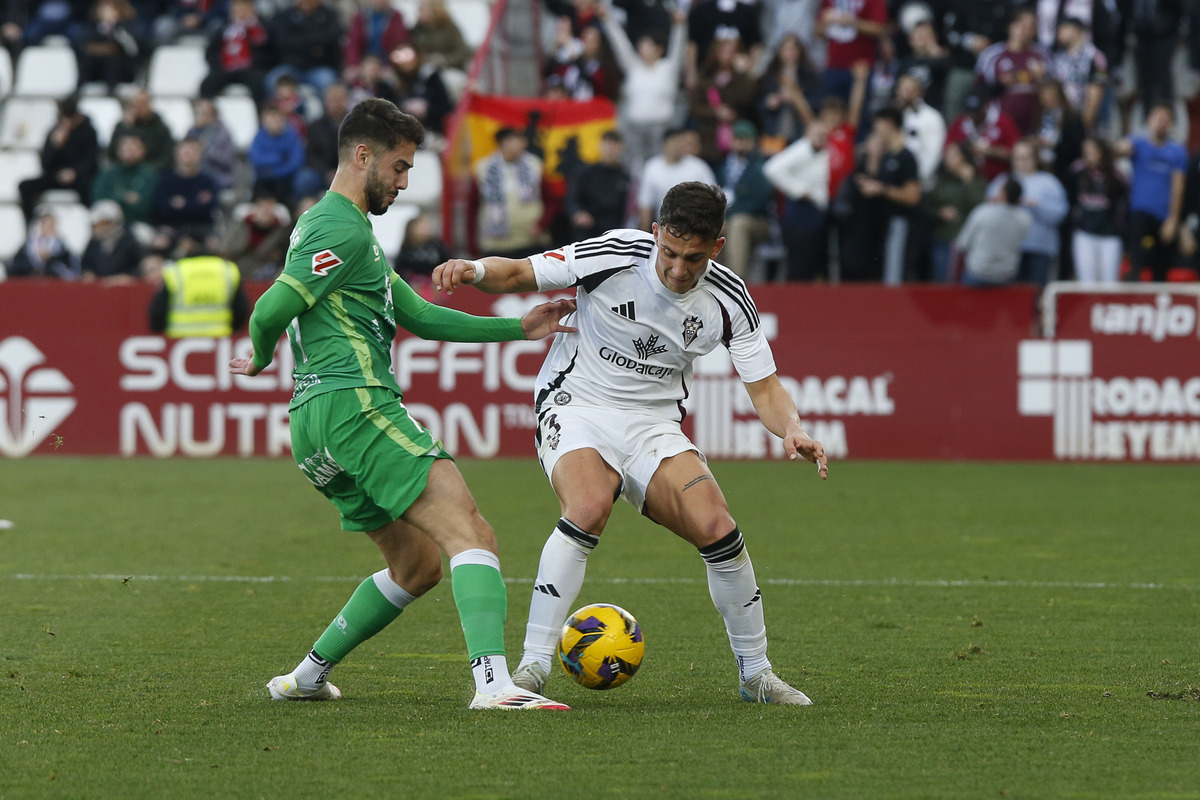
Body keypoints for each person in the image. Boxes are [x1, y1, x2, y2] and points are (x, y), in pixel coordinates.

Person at [227, 98, 576, 711]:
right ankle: (494, 685)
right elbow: (267, 311)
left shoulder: (345, 231)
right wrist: (259, 353)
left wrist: (518, 330)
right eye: (398, 166)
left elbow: (418, 315)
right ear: (363, 156)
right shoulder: (336, 225)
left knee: (416, 564)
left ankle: (307, 675)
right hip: (355, 406)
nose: (404, 181)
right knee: (471, 531)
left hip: (313, 429)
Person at [432, 181, 828, 705]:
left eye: (692, 258)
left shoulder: (730, 298)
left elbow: (766, 388)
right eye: (669, 252)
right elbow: (521, 272)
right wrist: (474, 270)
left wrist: (792, 427)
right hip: (576, 403)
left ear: (716, 246)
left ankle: (756, 675)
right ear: (655, 232)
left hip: (653, 425)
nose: (677, 269)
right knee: (590, 504)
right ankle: (531, 668)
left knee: (719, 528)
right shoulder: (614, 253)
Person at [598, 1, 687, 180]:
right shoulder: (634, 68)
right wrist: (608, 21)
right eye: (640, 46)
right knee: (635, 173)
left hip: (661, 129)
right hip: (635, 130)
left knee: (661, 170)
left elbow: (678, 49)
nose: (641, 50)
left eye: (646, 45)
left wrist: (680, 26)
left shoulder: (668, 69)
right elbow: (620, 46)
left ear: (659, 49)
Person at [1116, 102, 1187, 283]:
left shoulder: (1176, 151)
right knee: (1136, 263)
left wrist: (1173, 219)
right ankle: (1132, 293)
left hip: (1163, 215)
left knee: (1161, 268)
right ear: (1149, 121)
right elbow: (1119, 149)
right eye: (1158, 118)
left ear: (1171, 124)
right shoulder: (1138, 144)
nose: (1161, 123)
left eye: (1165, 119)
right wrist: (1122, 146)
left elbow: (1178, 186)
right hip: (1140, 212)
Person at [985, 139, 1069, 285]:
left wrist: (1036, 205)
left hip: (1039, 247)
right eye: (1017, 157)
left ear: (1035, 158)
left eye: (1026, 157)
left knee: (1037, 291)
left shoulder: (1049, 182)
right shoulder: (1003, 181)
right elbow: (988, 208)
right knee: (1012, 293)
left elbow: (1060, 214)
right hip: (1008, 248)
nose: (1021, 161)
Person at [854, 107, 921, 284]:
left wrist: (882, 189)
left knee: (894, 275)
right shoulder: (887, 156)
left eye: (878, 125)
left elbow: (913, 196)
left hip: (899, 223)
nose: (876, 130)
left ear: (889, 124)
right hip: (883, 224)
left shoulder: (906, 157)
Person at [763, 118, 831, 281]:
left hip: (815, 213)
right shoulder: (801, 149)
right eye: (817, 134)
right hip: (801, 213)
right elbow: (771, 169)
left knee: (812, 264)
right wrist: (799, 190)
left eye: (824, 134)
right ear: (807, 134)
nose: (821, 137)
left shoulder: (821, 152)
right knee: (800, 265)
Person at [18, 97, 100, 224]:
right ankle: (32, 226)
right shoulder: (54, 132)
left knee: (91, 188)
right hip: (56, 176)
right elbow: (45, 163)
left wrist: (75, 172)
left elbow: (91, 160)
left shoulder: (89, 132)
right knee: (25, 187)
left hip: (80, 178)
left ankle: (90, 223)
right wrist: (55, 146)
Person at [475, 127, 547, 258]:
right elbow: (473, 205)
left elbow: (550, 198)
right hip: (496, 244)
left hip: (531, 240)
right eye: (517, 140)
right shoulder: (483, 168)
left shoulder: (534, 164)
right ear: (504, 142)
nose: (522, 144)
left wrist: (542, 225)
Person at [921, 140, 986, 283]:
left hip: (967, 240)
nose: (948, 159)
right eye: (947, 155)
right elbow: (924, 205)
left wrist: (969, 182)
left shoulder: (977, 182)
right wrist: (939, 212)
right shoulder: (940, 181)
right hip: (944, 236)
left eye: (953, 155)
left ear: (964, 158)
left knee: (961, 279)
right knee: (942, 278)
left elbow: (980, 207)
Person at [718, 120, 775, 280]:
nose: (741, 143)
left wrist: (727, 219)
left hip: (757, 221)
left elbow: (759, 200)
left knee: (738, 224)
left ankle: (735, 280)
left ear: (753, 142)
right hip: (724, 220)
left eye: (746, 139)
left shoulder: (761, 166)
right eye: (738, 138)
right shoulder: (722, 167)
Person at [1067, 136, 1127, 285]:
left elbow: (1123, 204)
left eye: (1093, 151)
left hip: (1110, 234)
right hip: (1084, 232)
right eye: (1086, 151)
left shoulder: (1117, 175)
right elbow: (1070, 198)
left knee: (1110, 282)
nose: (1090, 155)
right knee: (1086, 281)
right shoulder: (1077, 170)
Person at [148, 251, 249, 337]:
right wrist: (234, 331)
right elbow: (241, 309)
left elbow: (158, 312)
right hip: (220, 337)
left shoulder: (175, 270)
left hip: (179, 337)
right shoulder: (227, 269)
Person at [955, 178, 1032, 286]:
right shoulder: (1025, 218)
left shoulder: (982, 211)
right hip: (1007, 273)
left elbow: (962, 243)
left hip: (978, 273)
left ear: (1003, 194)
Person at [637, 127, 717, 231]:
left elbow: (713, 199)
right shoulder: (652, 167)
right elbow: (646, 203)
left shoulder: (699, 167)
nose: (679, 146)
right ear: (665, 144)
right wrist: (644, 232)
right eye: (675, 141)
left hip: (694, 226)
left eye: (681, 142)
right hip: (663, 226)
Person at [199, 0, 271, 104]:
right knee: (207, 84)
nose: (241, 10)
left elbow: (269, 51)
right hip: (226, 69)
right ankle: (207, 115)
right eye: (237, 6)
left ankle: (262, 116)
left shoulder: (263, 27)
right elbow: (211, 52)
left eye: (244, 6)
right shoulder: (224, 27)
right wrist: (219, 65)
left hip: (251, 69)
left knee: (258, 83)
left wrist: (252, 27)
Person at [566, 129, 631, 239]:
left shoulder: (625, 177)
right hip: (589, 233)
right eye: (607, 144)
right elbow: (572, 200)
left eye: (615, 145)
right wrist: (578, 213)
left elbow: (629, 207)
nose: (611, 149)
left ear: (621, 148)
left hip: (615, 234)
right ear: (600, 146)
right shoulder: (585, 173)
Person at [92, 133, 160, 228]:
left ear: (143, 150)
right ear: (118, 150)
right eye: (125, 145)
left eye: (134, 146)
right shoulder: (107, 173)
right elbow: (97, 198)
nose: (129, 149)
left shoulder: (150, 174)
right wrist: (125, 197)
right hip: (108, 226)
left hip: (139, 224)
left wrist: (116, 197)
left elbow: (148, 205)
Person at [108, 90, 176, 172]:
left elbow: (167, 157)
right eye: (136, 103)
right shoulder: (122, 126)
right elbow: (113, 153)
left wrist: (147, 171)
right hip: (124, 173)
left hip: (153, 173)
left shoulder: (161, 128)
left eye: (143, 103)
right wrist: (127, 127)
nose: (139, 107)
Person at [81, 200, 145, 283]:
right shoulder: (93, 243)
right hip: (100, 288)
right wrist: (88, 273)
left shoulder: (130, 241)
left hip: (124, 290)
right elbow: (87, 264)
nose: (98, 228)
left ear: (114, 222)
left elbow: (140, 266)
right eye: (95, 225)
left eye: (103, 223)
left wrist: (128, 277)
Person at [7, 210, 80, 280]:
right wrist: (37, 255)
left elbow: (65, 262)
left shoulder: (60, 244)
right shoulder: (31, 242)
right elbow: (19, 260)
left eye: (50, 225)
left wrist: (49, 257)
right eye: (45, 224)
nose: (47, 228)